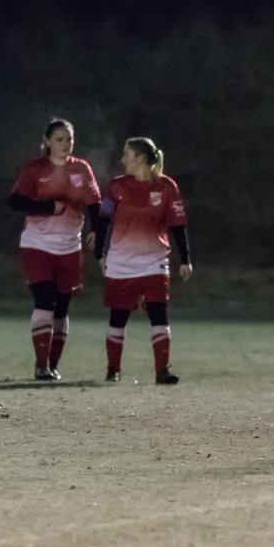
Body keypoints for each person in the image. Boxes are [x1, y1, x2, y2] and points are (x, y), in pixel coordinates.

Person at [94, 137, 192, 385]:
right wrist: (100, 253)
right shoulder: (117, 187)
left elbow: (178, 226)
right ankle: (113, 369)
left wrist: (185, 259)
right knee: (118, 316)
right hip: (121, 263)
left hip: (154, 262)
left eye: (127, 154)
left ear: (140, 158)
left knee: (158, 312)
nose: (123, 159)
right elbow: (103, 219)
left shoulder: (167, 187)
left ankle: (162, 371)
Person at [8, 118, 101, 380]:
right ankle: (41, 366)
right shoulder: (35, 168)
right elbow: (14, 200)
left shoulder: (82, 169)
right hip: (37, 245)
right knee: (45, 301)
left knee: (62, 308)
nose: (65, 144)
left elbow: (95, 203)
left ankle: (53, 364)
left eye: (69, 139)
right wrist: (48, 208)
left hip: (69, 247)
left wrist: (96, 230)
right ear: (48, 142)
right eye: (59, 139)